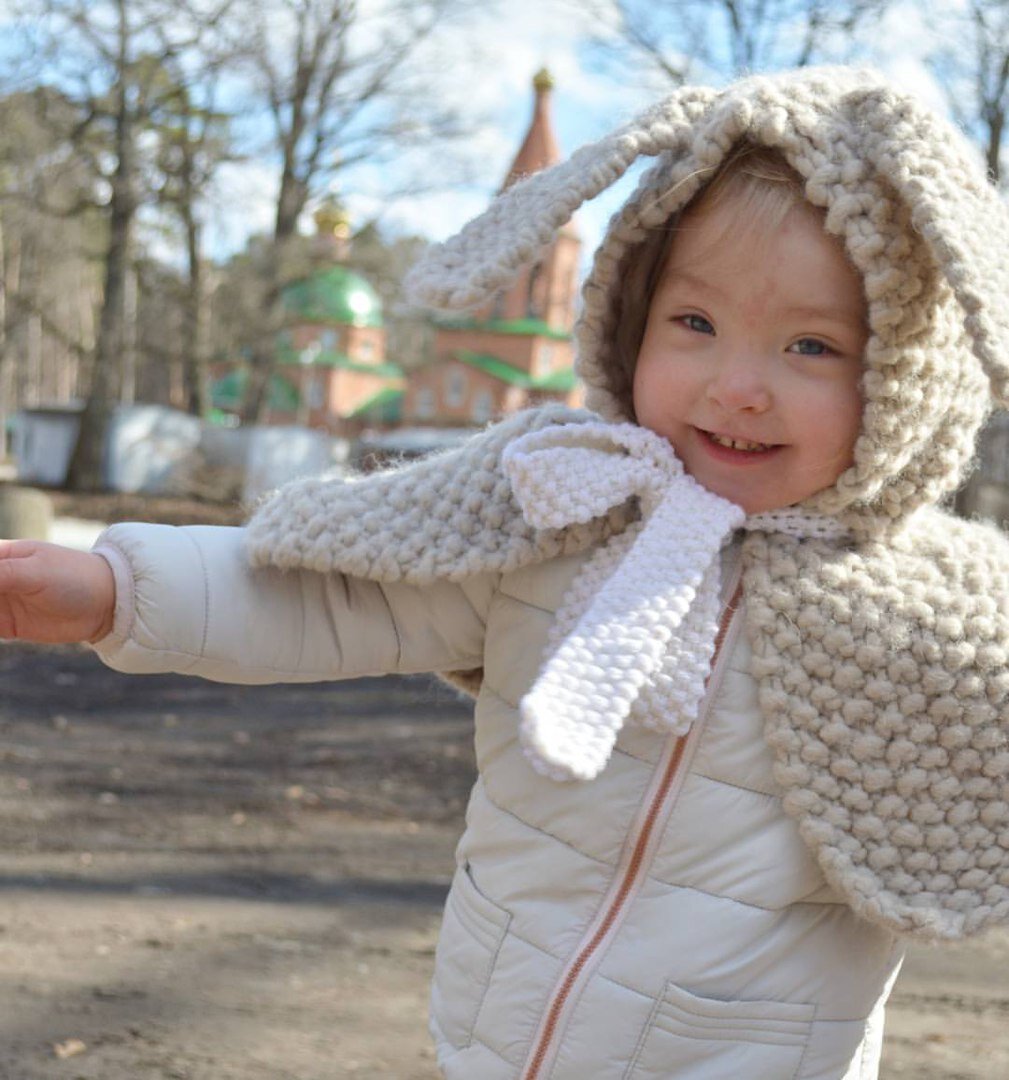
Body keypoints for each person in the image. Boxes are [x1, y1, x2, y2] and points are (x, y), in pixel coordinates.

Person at [3, 66, 1009, 1080]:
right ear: (631, 318)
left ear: (908, 376)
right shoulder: (558, 501)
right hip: (499, 1035)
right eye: (695, 325)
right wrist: (115, 590)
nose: (736, 386)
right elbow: (338, 588)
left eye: (810, 345)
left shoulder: (943, 614)